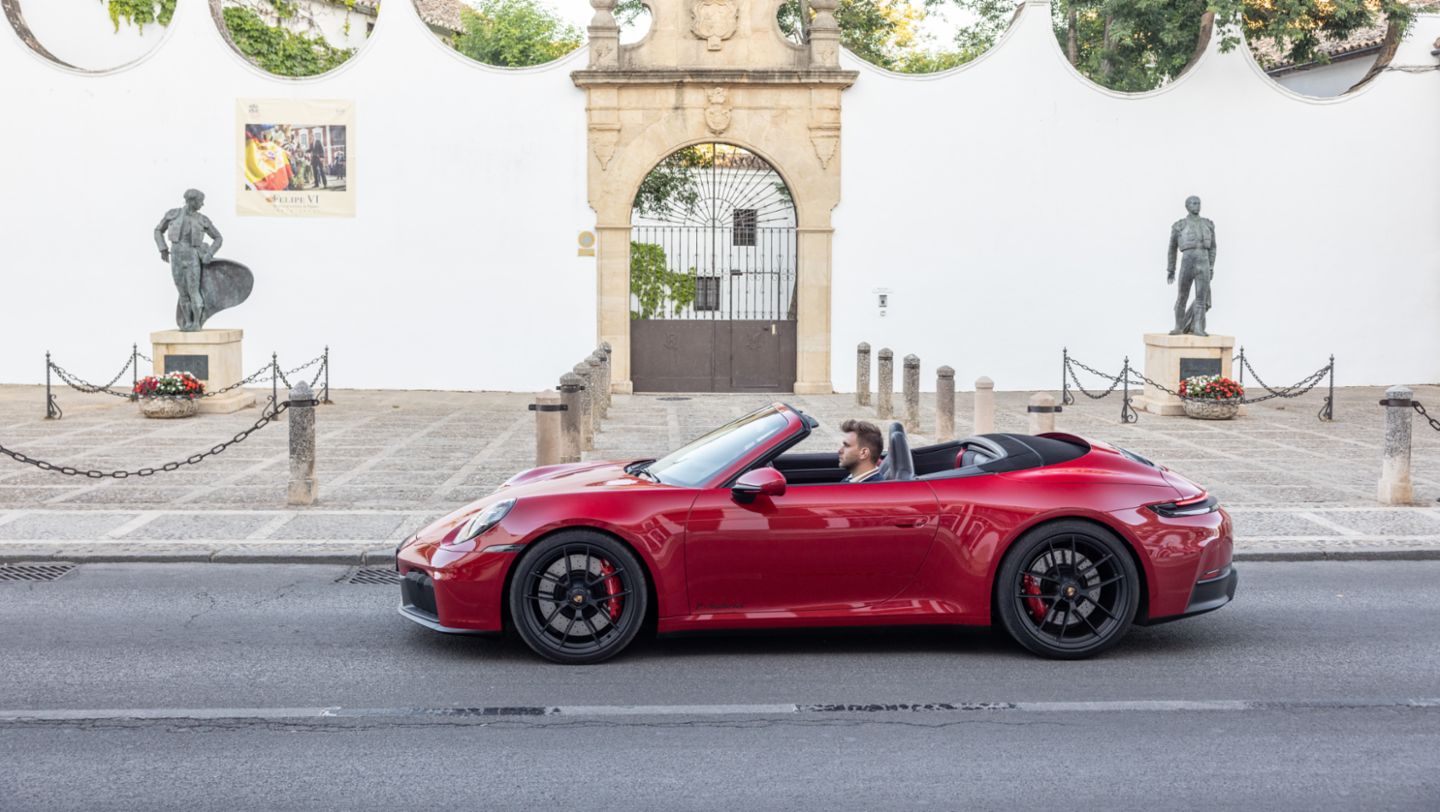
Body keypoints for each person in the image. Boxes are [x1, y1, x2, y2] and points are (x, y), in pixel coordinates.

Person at [154, 189, 222, 331]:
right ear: (191, 200)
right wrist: (162, 248)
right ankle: (188, 322)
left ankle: (197, 323)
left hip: (192, 256)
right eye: (200, 201)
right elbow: (158, 230)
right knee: (182, 292)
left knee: (193, 291)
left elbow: (218, 238)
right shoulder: (173, 214)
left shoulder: (202, 219)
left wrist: (209, 253)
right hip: (176, 256)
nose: (202, 204)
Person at [1166, 195, 1218, 337]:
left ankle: (1198, 327)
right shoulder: (1179, 225)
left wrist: (1211, 266)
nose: (1197, 205)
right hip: (1187, 262)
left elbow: (1213, 247)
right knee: (1182, 296)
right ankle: (1178, 326)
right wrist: (1171, 269)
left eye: (1198, 203)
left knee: (1201, 298)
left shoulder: (1208, 224)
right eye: (1193, 203)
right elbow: (1172, 248)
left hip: (1204, 262)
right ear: (1187, 206)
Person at [838, 419, 884, 483]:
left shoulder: (873, 490)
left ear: (864, 453)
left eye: (846, 446)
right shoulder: (852, 480)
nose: (840, 450)